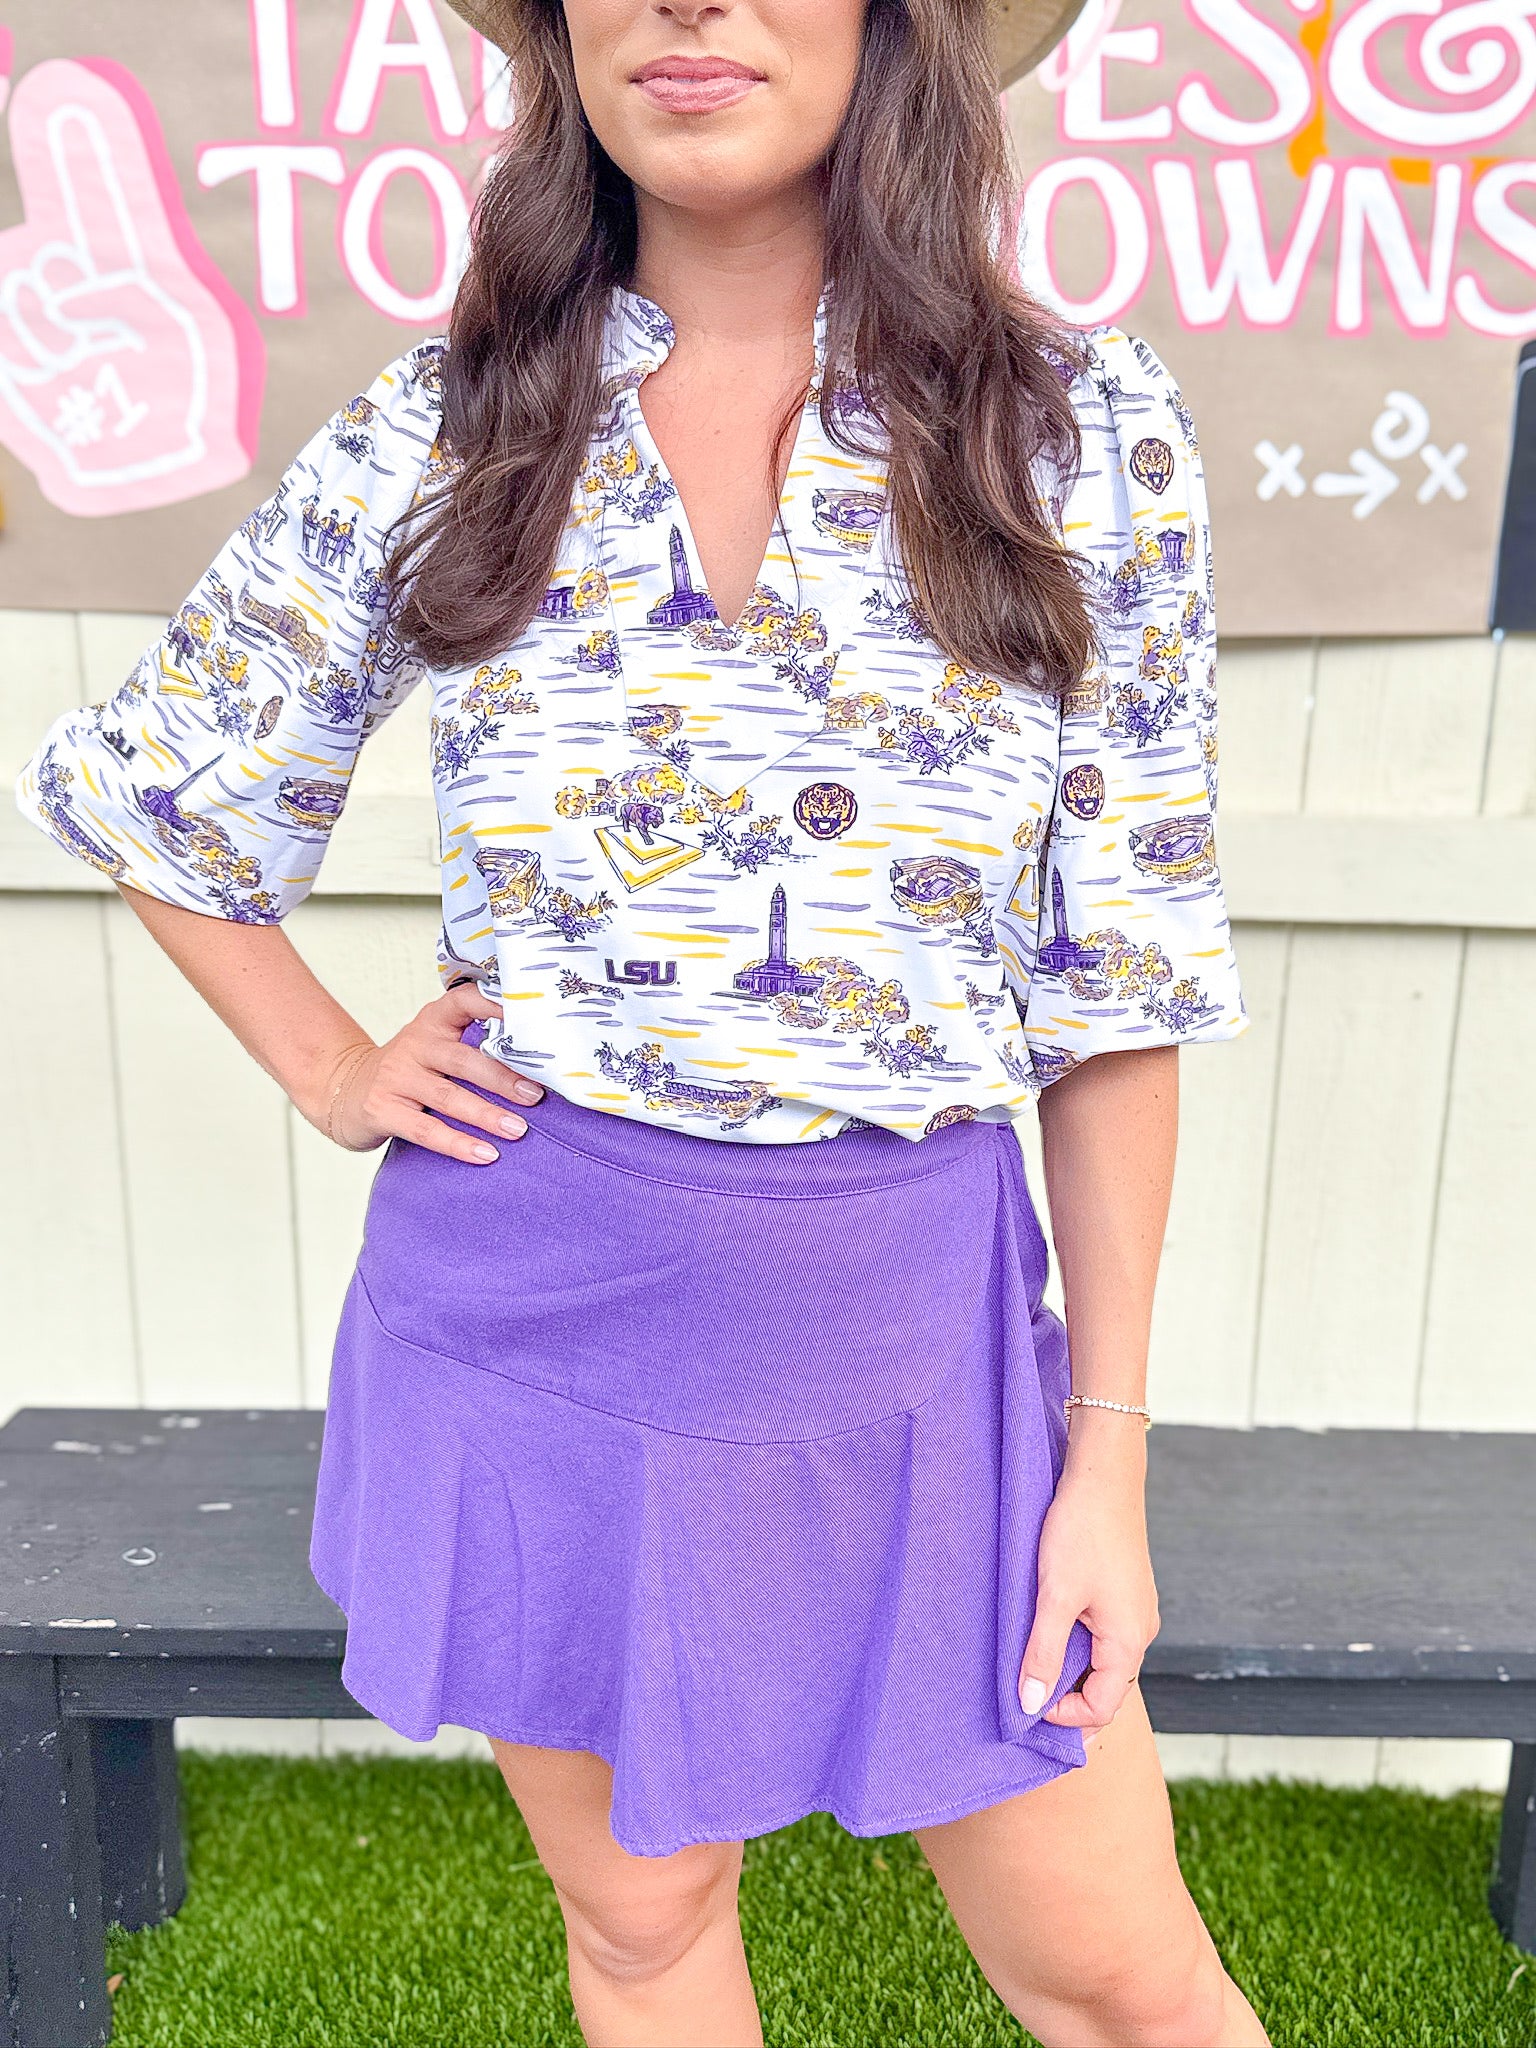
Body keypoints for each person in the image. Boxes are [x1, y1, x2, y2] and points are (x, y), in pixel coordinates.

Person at [13, 1, 1269, 2042]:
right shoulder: (453, 425)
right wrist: (333, 1065)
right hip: (536, 1319)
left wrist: (1103, 1458)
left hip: (912, 1336)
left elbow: (1121, 975)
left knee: (1123, 1976)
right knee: (645, 1926)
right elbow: (162, 790)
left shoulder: (1075, 430)